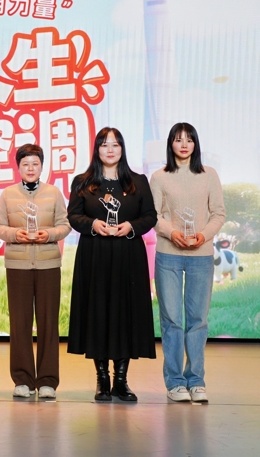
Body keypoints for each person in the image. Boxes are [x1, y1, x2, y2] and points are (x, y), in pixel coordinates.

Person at [67, 127, 157, 402]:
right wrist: (94, 224)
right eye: (104, 144)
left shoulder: (138, 181)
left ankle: (121, 380)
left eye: (115, 145)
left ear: (122, 149)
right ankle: (102, 379)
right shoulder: (83, 182)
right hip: (94, 255)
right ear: (97, 149)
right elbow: (74, 216)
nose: (110, 149)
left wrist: (131, 226)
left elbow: (150, 216)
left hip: (128, 255)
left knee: (125, 313)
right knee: (97, 312)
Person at [150, 122, 226, 404]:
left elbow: (218, 213)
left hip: (201, 255)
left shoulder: (209, 175)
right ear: (170, 144)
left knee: (198, 321)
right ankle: (175, 383)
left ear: (195, 144)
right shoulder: (159, 177)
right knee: (171, 320)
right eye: (178, 139)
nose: (184, 145)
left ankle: (196, 381)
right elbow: (153, 215)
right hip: (168, 254)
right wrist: (173, 233)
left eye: (189, 140)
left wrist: (203, 236)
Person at [0, 144, 71, 400]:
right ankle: (23, 379)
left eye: (35, 164)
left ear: (42, 166)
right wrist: (16, 234)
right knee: (20, 323)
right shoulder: (8, 194)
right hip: (18, 265)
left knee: (48, 322)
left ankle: (48, 380)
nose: (30, 168)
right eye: (25, 164)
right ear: (18, 167)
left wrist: (48, 234)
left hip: (48, 264)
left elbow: (65, 225)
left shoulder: (54, 192)